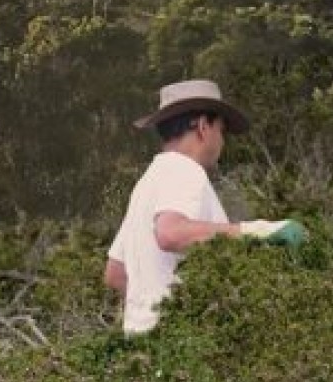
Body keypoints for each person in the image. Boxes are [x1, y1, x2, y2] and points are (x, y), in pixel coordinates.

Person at [104, 78, 303, 334]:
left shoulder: (147, 183)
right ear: (202, 127)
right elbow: (170, 233)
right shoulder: (184, 169)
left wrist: (151, 311)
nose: (222, 141)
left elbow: (115, 273)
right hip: (182, 344)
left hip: (143, 351)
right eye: (221, 130)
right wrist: (257, 231)